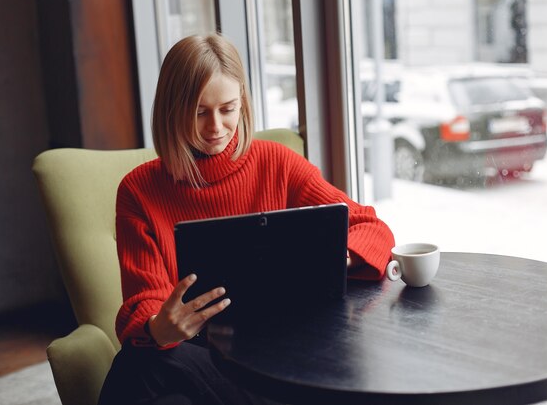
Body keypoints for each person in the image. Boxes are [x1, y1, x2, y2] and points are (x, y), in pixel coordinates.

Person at [98, 33, 395, 405]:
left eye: (228, 108)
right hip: (198, 356)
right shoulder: (138, 191)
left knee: (138, 371)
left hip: (282, 356)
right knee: (149, 370)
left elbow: (371, 227)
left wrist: (339, 257)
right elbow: (145, 299)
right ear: (172, 110)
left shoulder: (278, 163)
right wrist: (159, 328)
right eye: (199, 112)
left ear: (243, 103)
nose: (216, 128)